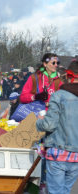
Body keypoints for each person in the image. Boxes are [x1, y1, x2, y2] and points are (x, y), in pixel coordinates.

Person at [36, 60, 78, 194]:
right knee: (65, 191)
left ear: (68, 76)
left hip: (58, 153)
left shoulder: (59, 95)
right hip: (76, 156)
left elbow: (49, 124)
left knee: (55, 191)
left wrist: (39, 121)